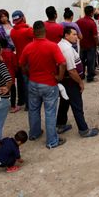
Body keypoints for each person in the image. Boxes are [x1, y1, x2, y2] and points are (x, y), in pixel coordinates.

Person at [19, 21, 67, 149]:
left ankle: (34, 133)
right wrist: (60, 77)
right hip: (49, 83)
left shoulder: (28, 47)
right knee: (50, 112)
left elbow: (22, 64)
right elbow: (62, 63)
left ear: (33, 32)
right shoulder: (52, 46)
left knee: (33, 110)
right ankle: (51, 141)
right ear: (45, 31)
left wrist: (28, 74)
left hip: (33, 82)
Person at [56, 27, 99, 137]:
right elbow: (71, 70)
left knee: (65, 102)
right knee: (77, 105)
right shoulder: (66, 49)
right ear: (66, 35)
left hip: (66, 81)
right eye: (74, 34)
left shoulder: (63, 45)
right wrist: (80, 82)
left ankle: (60, 124)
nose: (77, 37)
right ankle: (84, 130)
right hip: (70, 81)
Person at [11, 10, 34, 109]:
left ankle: (23, 101)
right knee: (30, 82)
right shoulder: (28, 30)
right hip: (30, 59)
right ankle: (30, 104)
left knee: (23, 82)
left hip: (19, 58)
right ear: (23, 17)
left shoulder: (12, 31)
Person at [76, 5, 99, 83]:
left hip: (82, 44)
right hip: (91, 45)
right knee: (91, 61)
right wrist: (97, 43)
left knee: (82, 60)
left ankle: (81, 75)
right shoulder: (92, 23)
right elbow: (95, 36)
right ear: (92, 13)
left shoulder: (79, 21)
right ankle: (90, 77)